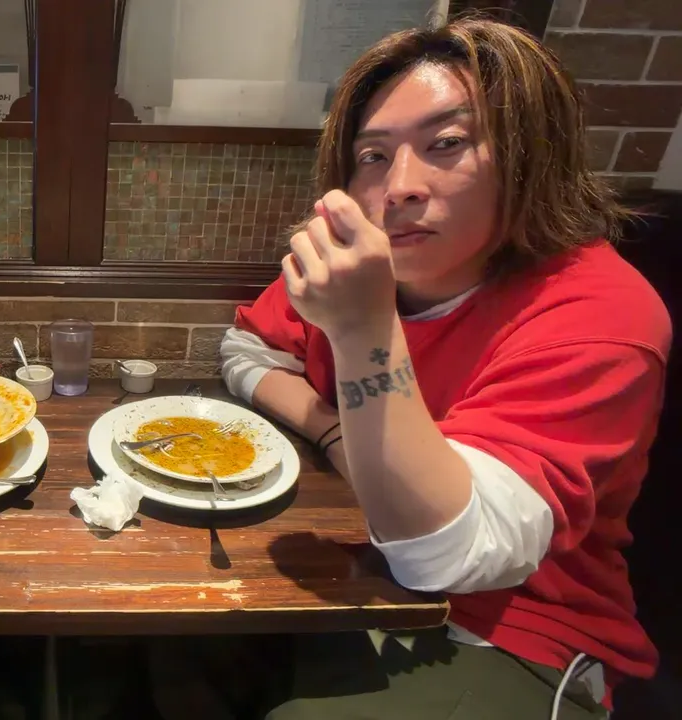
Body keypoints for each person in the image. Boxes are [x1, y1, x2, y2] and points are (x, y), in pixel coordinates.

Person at [218, 16, 668, 720]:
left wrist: (363, 330)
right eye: (373, 156)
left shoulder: (600, 312)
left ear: (529, 156)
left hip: (516, 631)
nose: (400, 186)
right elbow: (247, 349)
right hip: (359, 573)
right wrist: (330, 427)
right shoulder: (368, 266)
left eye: (447, 144)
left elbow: (446, 557)